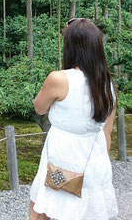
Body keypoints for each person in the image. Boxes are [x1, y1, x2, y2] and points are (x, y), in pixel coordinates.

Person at [29, 18, 118, 220]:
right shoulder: (108, 85)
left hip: (62, 160)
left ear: (70, 47)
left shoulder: (59, 79)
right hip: (94, 162)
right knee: (86, 213)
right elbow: (107, 132)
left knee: (42, 208)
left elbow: (39, 108)